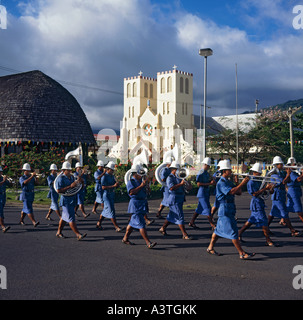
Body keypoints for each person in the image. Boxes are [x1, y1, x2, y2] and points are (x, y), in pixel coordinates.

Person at [206, 160, 255, 260]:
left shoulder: (228, 181)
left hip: (229, 209)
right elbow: (231, 192)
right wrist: (242, 183)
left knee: (217, 231)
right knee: (233, 232)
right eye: (229, 170)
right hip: (224, 209)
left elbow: (239, 192)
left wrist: (238, 183)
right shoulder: (221, 182)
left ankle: (210, 247)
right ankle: (241, 253)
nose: (231, 171)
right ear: (224, 171)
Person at [238, 163, 277, 247]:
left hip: (260, 203)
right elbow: (254, 194)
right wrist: (265, 188)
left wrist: (270, 190)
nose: (259, 174)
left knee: (250, 221)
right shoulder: (251, 182)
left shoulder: (259, 180)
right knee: (264, 222)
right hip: (256, 204)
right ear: (254, 172)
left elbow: (263, 192)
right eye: (257, 172)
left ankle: (239, 233)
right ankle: (268, 239)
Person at [122, 165, 157, 249]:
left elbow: (148, 192)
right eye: (139, 173)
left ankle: (125, 238)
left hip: (142, 203)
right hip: (135, 204)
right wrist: (141, 185)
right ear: (134, 174)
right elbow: (131, 192)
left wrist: (147, 186)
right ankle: (148, 242)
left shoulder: (141, 181)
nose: (141, 175)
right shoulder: (131, 182)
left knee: (132, 223)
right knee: (141, 224)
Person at [268, 156, 300, 237]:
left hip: (281, 195)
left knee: (272, 214)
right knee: (284, 213)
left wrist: (288, 174)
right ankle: (292, 230)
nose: (282, 165)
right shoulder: (273, 174)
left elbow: (287, 181)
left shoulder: (281, 172)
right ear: (276, 165)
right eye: (280, 164)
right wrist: (288, 174)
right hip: (277, 195)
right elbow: (281, 182)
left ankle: (265, 228)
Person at [159, 161, 192, 240]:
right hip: (174, 199)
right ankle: (184, 234)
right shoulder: (170, 177)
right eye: (176, 169)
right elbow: (171, 188)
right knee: (180, 216)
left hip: (180, 198)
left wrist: (188, 184)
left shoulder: (180, 177)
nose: (178, 171)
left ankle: (163, 228)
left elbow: (188, 188)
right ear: (172, 170)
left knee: (171, 216)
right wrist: (180, 184)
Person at [56, 161, 87, 240]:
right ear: (64, 170)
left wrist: (81, 182)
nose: (70, 171)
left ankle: (59, 232)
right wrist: (70, 186)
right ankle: (78, 234)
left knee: (64, 218)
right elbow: (59, 190)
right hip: (66, 201)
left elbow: (78, 187)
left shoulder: (72, 177)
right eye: (68, 170)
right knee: (71, 218)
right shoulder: (60, 179)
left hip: (72, 199)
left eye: (70, 170)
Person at [96, 161, 124, 232]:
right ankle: (116, 227)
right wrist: (113, 186)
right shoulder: (104, 177)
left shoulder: (112, 176)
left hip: (111, 194)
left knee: (105, 210)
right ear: (108, 169)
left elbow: (114, 184)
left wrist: (117, 184)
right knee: (111, 211)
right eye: (111, 170)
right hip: (106, 195)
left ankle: (99, 223)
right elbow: (103, 187)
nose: (112, 171)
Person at [189, 157, 216, 230]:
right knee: (208, 209)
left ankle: (192, 222)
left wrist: (212, 181)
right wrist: (209, 183)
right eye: (208, 165)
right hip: (202, 193)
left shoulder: (207, 173)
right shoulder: (201, 172)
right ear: (205, 164)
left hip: (206, 193)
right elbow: (198, 184)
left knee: (199, 209)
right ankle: (212, 225)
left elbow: (209, 181)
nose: (209, 167)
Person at [285, 157, 303, 225]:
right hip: (293, 192)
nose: (295, 165)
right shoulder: (291, 173)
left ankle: (283, 219)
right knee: (299, 210)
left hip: (295, 191)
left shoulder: (295, 172)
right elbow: (298, 179)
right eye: (293, 164)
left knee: (288, 207)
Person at [0, 167, 11, 232]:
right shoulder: (2, 180)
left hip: (3, 196)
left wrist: (9, 181)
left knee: (1, 210)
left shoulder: (2, 178)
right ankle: (3, 227)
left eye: (1, 172)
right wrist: (3, 181)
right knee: (0, 212)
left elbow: (9, 184)